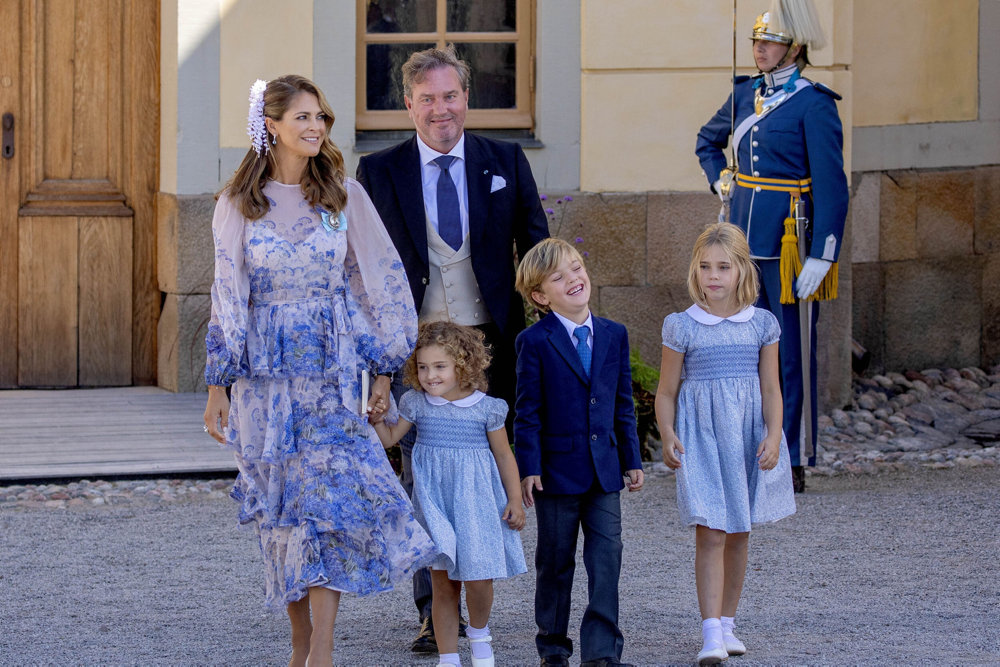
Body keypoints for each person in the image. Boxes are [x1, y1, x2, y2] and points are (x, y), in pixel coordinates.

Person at [202, 75, 438, 667]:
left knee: (327, 508)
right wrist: (218, 384)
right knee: (283, 513)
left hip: (331, 379)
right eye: (303, 117)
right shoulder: (236, 206)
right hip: (264, 383)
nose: (315, 127)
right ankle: (300, 644)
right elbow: (226, 296)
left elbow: (376, 279)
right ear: (271, 126)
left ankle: (324, 651)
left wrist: (384, 367)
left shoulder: (343, 196)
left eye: (321, 118)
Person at [356, 44, 548, 652]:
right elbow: (365, 269)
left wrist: (551, 315)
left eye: (452, 95)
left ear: (466, 97)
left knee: (485, 465)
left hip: (489, 345)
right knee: (425, 475)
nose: (442, 109)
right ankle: (432, 610)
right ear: (408, 105)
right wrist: (379, 361)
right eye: (429, 98)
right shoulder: (379, 172)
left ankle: (480, 598)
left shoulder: (506, 160)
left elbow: (537, 245)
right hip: (415, 347)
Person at [695, 0, 849, 492]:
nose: (759, 49)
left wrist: (823, 254)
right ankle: (744, 445)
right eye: (756, 41)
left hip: (789, 246)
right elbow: (707, 140)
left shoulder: (814, 103)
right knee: (737, 346)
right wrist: (721, 178)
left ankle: (792, 453)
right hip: (739, 241)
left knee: (787, 352)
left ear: (794, 48)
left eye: (770, 42)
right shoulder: (743, 95)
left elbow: (831, 183)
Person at [654, 223, 796, 665]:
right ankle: (710, 631)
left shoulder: (762, 324)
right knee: (711, 531)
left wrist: (774, 435)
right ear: (695, 270)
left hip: (748, 437)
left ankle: (729, 624)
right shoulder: (682, 326)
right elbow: (666, 391)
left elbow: (771, 389)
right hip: (702, 439)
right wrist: (668, 432)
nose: (713, 276)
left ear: (742, 271)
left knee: (739, 532)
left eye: (723, 267)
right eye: (705, 266)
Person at [513, 238, 644, 667]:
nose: (573, 279)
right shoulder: (534, 342)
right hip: (555, 473)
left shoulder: (614, 335)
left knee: (607, 560)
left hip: (605, 471)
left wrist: (631, 458)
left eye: (576, 268)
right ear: (540, 296)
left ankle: (602, 652)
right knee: (555, 562)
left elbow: (622, 402)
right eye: (558, 277)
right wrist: (528, 467)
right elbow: (527, 412)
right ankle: (553, 647)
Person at [371, 321, 528, 667]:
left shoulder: (487, 408)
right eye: (423, 367)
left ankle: (478, 633)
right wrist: (378, 419)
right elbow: (389, 440)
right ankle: (448, 657)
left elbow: (504, 455)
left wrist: (514, 499)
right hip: (435, 503)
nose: (430, 376)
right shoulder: (416, 403)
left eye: (440, 367)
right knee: (442, 583)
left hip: (476, 503)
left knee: (478, 578)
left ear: (463, 364)